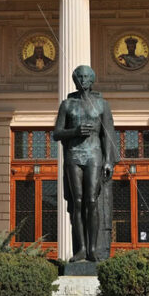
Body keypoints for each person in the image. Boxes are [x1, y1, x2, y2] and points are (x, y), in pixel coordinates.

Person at [53, 65, 118, 262]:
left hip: (94, 155)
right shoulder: (67, 105)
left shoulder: (102, 105)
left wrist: (108, 161)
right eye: (79, 76)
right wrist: (74, 131)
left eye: (86, 76)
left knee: (92, 201)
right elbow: (56, 133)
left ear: (92, 80)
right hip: (74, 155)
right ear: (74, 80)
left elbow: (108, 135)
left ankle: (93, 249)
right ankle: (80, 249)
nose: (82, 80)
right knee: (78, 202)